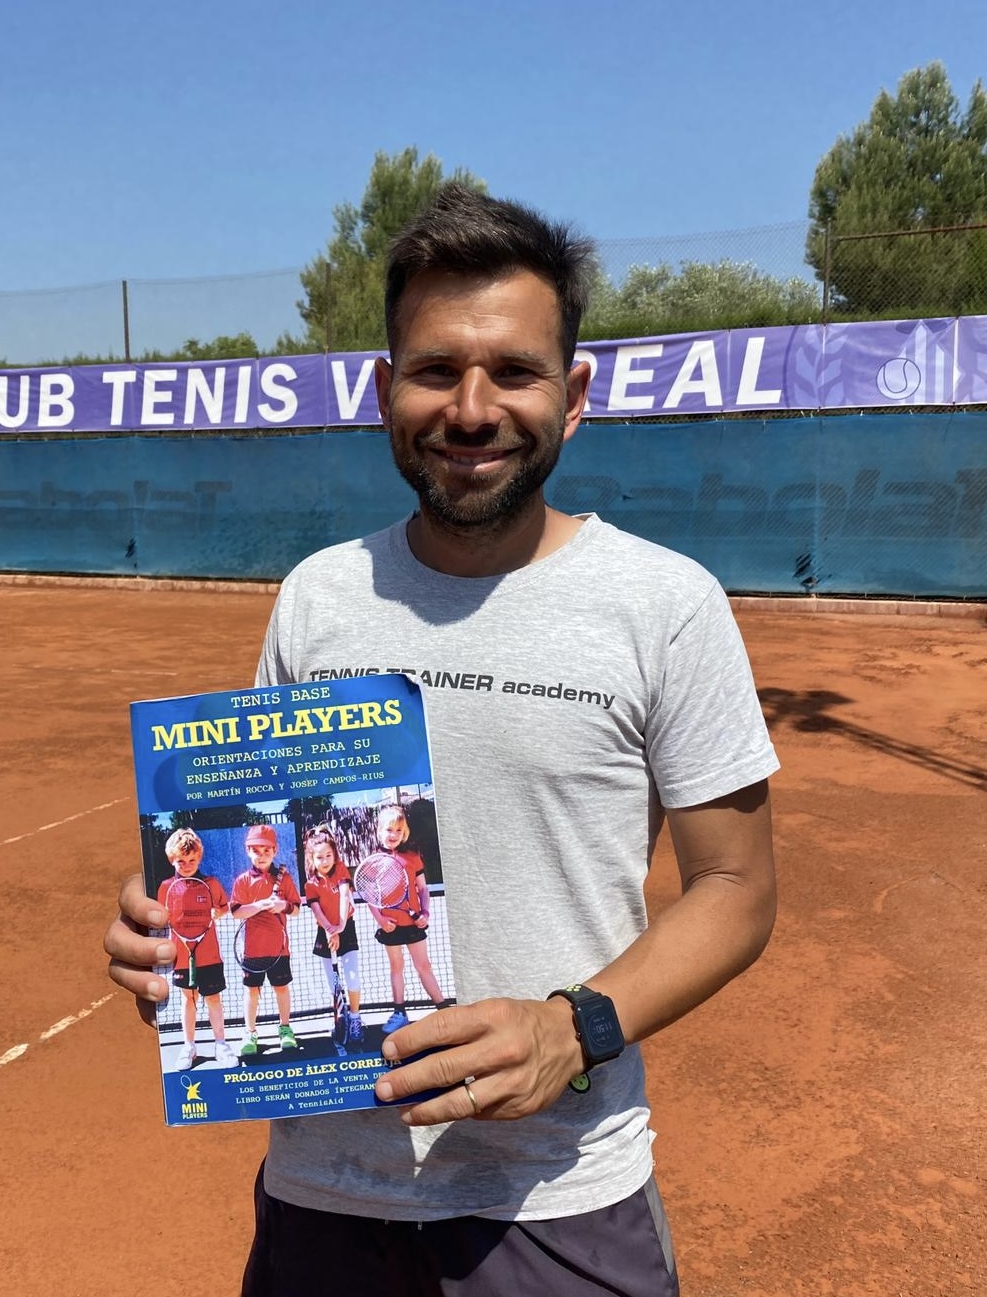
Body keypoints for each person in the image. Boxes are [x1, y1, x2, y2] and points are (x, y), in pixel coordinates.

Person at [106, 183, 779, 1297]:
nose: (471, 409)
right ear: (385, 393)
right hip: (325, 1197)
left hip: (557, 1197)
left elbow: (737, 889)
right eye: (434, 370)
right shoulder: (318, 596)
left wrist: (572, 1030)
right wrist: (170, 950)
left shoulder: (666, 604)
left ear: (574, 395)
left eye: (513, 371)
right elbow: (260, 823)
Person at [363, 803, 451, 1034]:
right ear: (379, 831)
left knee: (424, 966)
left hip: (413, 923)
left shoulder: (413, 857)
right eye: (389, 829)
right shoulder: (374, 860)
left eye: (398, 830)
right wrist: (381, 920)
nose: (393, 835)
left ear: (405, 833)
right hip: (390, 926)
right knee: (396, 967)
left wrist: (425, 913)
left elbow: (422, 889)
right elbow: (370, 896)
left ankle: (445, 1011)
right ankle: (400, 1013)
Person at [156, 827, 238, 1071]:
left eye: (192, 860)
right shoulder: (166, 887)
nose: (187, 865)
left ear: (199, 858)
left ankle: (221, 1045)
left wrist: (218, 912)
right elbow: (161, 917)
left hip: (209, 954)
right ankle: (189, 1047)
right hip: (182, 955)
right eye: (181, 861)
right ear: (172, 859)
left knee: (213, 998)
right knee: (188, 998)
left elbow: (225, 907)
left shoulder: (211, 884)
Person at [230, 824, 302, 1055]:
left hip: (279, 950)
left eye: (266, 851)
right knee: (252, 992)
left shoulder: (285, 878)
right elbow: (236, 912)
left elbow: (296, 909)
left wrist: (282, 905)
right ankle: (250, 1032)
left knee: (281, 989)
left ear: (275, 851)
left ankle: (285, 1028)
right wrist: (259, 905)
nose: (261, 856)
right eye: (256, 851)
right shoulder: (242, 880)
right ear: (247, 851)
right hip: (253, 951)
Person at [302, 824, 364, 1049]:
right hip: (325, 932)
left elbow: (344, 897)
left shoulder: (340, 871)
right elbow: (317, 911)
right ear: (312, 859)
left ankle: (355, 1018)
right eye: (319, 857)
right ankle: (339, 1018)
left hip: (346, 928)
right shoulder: (310, 884)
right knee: (334, 984)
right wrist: (330, 929)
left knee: (353, 978)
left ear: (334, 855)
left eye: (328, 855)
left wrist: (340, 926)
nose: (325, 860)